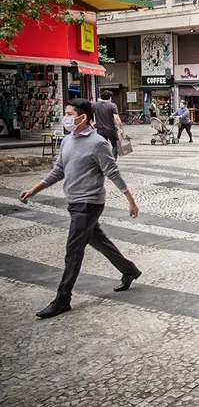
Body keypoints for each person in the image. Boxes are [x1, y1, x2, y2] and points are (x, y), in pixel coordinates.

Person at [18, 99, 142, 319]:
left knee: (73, 251)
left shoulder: (98, 143)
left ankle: (63, 298)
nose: (65, 117)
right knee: (97, 240)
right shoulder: (67, 141)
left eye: (69, 113)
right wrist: (34, 190)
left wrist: (131, 201)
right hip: (74, 201)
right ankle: (129, 270)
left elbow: (113, 172)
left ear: (82, 117)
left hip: (89, 203)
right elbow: (58, 171)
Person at [92, 90, 123, 160]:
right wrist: (121, 128)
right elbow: (116, 118)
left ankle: (103, 159)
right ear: (109, 98)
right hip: (111, 130)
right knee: (115, 145)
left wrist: (92, 124)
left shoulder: (94, 105)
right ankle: (112, 160)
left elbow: (89, 114)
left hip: (100, 130)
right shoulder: (112, 105)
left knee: (102, 146)